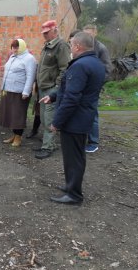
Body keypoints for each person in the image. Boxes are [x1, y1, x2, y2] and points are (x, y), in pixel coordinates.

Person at [40, 32, 105, 204]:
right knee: (75, 157)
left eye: (71, 44)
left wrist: (56, 122)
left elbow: (72, 97)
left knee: (74, 158)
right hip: (83, 117)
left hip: (75, 120)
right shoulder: (95, 63)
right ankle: (71, 185)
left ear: (78, 46)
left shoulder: (80, 65)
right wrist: (53, 96)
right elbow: (71, 89)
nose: (70, 48)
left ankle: (74, 195)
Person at [34, 20, 70, 159]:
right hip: (43, 88)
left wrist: (57, 87)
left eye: (47, 33)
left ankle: (47, 147)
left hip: (51, 89)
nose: (45, 36)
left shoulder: (61, 46)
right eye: (43, 33)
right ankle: (49, 143)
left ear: (55, 30)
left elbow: (65, 68)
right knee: (43, 117)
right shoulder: (47, 46)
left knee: (49, 119)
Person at [0, 39, 36, 147]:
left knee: (18, 115)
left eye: (16, 47)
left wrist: (26, 91)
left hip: (20, 92)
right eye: (13, 47)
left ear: (22, 47)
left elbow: (30, 76)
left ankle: (18, 137)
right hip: (9, 90)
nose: (14, 49)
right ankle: (14, 135)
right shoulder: (12, 57)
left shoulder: (29, 58)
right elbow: (7, 72)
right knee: (11, 114)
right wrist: (3, 87)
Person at [83, 24, 112, 153]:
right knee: (82, 112)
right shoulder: (84, 46)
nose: (87, 37)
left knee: (92, 113)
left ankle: (93, 142)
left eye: (89, 34)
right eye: (85, 34)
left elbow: (108, 70)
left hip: (93, 88)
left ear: (95, 33)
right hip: (82, 87)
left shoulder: (101, 48)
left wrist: (96, 84)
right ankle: (83, 137)